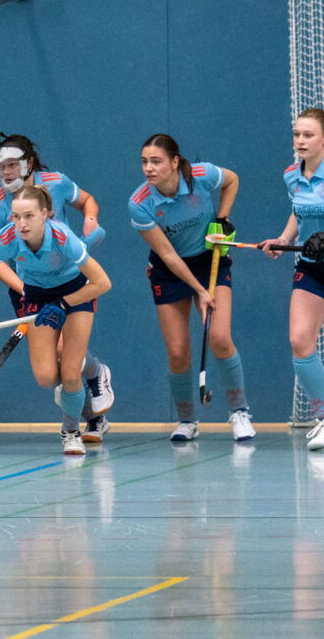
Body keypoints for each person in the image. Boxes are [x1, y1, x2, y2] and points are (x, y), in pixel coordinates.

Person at [0, 184, 111, 455]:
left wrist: (63, 302)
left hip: (77, 291)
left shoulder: (62, 237)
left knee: (70, 373)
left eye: (29, 216)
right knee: (47, 377)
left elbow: (102, 283)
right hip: (37, 296)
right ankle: (87, 369)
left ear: (45, 214)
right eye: (16, 216)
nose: (21, 224)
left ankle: (71, 431)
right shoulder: (7, 238)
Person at [0, 134, 114, 441]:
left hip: (65, 278)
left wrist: (90, 221)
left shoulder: (55, 182)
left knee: (66, 360)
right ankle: (93, 412)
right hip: (28, 286)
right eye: (0, 165)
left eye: (12, 164)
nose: (5, 171)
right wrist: (24, 287)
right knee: (50, 373)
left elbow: (86, 200)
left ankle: (86, 404)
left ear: (28, 163)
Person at [129, 133, 255, 442]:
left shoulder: (201, 174)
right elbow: (168, 254)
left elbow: (232, 180)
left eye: (156, 161)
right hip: (169, 271)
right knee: (177, 352)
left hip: (209, 259)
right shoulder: (139, 203)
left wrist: (223, 217)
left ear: (174, 162)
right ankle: (187, 420)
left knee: (219, 337)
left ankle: (240, 412)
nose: (148, 168)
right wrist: (198, 290)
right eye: (144, 162)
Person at [260, 108, 324, 450]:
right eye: (297, 134)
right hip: (312, 266)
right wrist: (284, 239)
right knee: (301, 341)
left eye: (309, 135)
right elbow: (299, 212)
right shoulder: (291, 175)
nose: (301, 141)